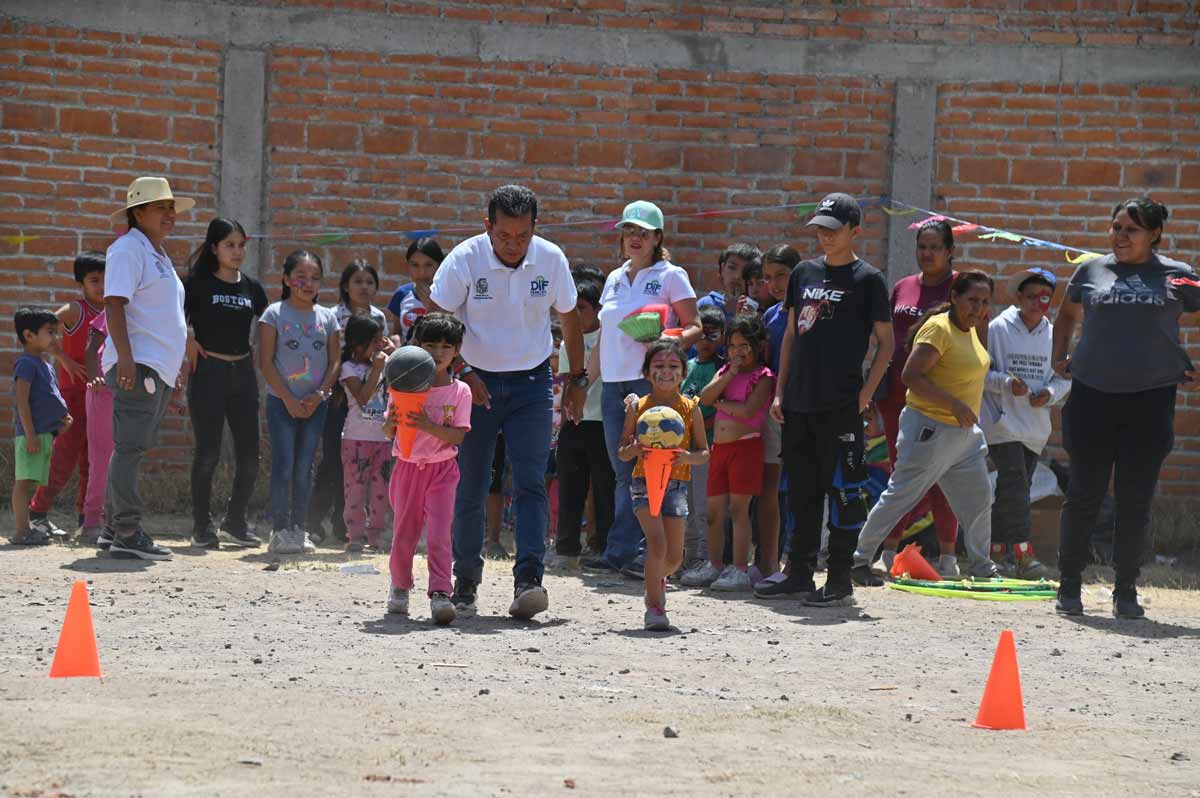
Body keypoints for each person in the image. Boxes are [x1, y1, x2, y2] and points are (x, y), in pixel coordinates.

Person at [428, 184, 587, 620]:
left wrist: (577, 378)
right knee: (472, 482)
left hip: (533, 382)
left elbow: (570, 322)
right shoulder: (463, 259)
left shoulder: (551, 260)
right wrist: (462, 373)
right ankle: (465, 582)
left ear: (535, 228)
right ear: (487, 227)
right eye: (504, 236)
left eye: (523, 236)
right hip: (474, 383)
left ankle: (529, 582)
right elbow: (435, 323)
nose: (514, 245)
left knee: (532, 480)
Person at [1051, 198, 1200, 619]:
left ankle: (1126, 591)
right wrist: (1058, 355)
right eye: (1115, 227)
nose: (1119, 236)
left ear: (1154, 234)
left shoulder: (1178, 277)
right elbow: (1066, 314)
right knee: (1084, 494)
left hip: (1150, 401)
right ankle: (1069, 586)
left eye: (1131, 229)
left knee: (1135, 499)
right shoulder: (1090, 271)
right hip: (1092, 397)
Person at [756, 193, 894, 606]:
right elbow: (793, 335)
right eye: (820, 229)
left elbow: (885, 344)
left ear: (855, 231)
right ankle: (798, 573)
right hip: (799, 401)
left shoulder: (868, 279)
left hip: (842, 404)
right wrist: (780, 391)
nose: (825, 237)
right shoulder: (803, 273)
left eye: (833, 230)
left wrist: (865, 395)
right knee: (801, 491)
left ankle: (838, 580)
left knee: (845, 492)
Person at [853, 271, 1002, 582]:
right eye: (972, 300)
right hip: (930, 429)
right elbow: (911, 376)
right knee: (900, 497)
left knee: (979, 498)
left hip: (965, 436)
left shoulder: (970, 330)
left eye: (985, 302)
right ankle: (858, 560)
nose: (978, 308)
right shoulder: (939, 329)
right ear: (955, 298)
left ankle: (982, 567)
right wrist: (955, 405)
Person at [585, 200, 701, 577]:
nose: (635, 238)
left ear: (657, 238)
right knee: (622, 467)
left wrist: (664, 342)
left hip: (649, 383)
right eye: (629, 231)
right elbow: (605, 336)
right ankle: (620, 551)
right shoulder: (615, 278)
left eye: (643, 233)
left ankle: (647, 553)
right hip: (614, 384)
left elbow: (695, 326)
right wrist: (583, 382)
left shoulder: (672, 275)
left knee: (651, 468)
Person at [98, 176, 192, 561]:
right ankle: (127, 530)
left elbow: (163, 315)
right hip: (137, 364)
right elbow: (114, 304)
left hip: (156, 367)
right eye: (161, 207)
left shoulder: (159, 253)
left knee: (132, 448)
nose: (170, 214)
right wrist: (125, 358)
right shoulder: (128, 249)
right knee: (130, 448)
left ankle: (110, 529)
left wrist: (176, 362)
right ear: (138, 213)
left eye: (172, 207)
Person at [876, 220, 960, 575]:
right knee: (901, 473)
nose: (927, 254)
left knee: (943, 474)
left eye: (934, 247)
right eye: (921, 247)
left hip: (941, 397)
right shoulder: (902, 287)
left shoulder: (961, 288)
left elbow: (975, 342)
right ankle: (888, 550)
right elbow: (884, 341)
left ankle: (949, 556)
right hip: (896, 394)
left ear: (950, 251)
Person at [183, 218, 268, 549]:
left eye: (241, 245)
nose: (237, 251)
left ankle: (235, 521)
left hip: (243, 374)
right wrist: (187, 339)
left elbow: (270, 322)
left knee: (251, 455)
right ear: (214, 248)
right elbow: (171, 316)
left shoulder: (252, 287)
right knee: (208, 453)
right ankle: (202, 525)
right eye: (230, 245)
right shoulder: (196, 284)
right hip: (208, 372)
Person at [383, 313, 473, 624]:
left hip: (443, 469)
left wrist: (428, 425)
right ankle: (400, 586)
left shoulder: (460, 391)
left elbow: (458, 435)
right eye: (430, 344)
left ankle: (440, 593)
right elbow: (388, 431)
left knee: (438, 534)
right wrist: (389, 423)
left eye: (446, 346)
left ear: (457, 350)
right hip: (407, 468)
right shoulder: (404, 384)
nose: (438, 352)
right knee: (404, 532)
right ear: (417, 346)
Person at [982, 268, 1070, 579]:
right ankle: (1021, 553)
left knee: (1014, 488)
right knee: (1015, 482)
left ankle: (993, 552)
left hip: (1035, 426)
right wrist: (1007, 383)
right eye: (1031, 297)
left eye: (1044, 298)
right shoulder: (997, 329)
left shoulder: (1054, 334)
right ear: (1018, 297)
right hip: (1002, 423)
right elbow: (980, 372)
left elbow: (1064, 378)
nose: (1037, 303)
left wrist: (1048, 393)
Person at [617, 340, 709, 631]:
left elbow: (704, 453)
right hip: (644, 483)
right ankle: (655, 608)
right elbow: (622, 450)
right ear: (646, 373)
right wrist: (634, 451)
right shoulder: (638, 407)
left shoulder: (690, 409)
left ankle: (656, 579)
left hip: (677, 486)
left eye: (673, 366)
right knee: (656, 545)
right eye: (658, 366)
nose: (666, 372)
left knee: (673, 558)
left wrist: (687, 456)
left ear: (683, 373)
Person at [259, 251, 341, 555]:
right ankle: (279, 530)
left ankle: (298, 528)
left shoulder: (327, 318)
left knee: (304, 467)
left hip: (315, 405)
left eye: (315, 278)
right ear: (286, 279)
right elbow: (265, 362)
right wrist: (289, 399)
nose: (308, 284)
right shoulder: (274, 314)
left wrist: (319, 395)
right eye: (301, 277)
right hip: (282, 404)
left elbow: (335, 361)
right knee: (284, 466)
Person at [685, 314, 773, 591]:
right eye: (732, 345)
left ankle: (739, 568)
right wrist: (730, 376)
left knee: (738, 511)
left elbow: (748, 411)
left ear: (757, 346)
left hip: (746, 448)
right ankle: (715, 564)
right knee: (713, 513)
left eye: (744, 345)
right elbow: (706, 398)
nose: (737, 352)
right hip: (719, 451)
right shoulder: (725, 372)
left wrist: (723, 404)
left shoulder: (764, 376)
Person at [308, 260, 389, 543]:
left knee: (369, 473)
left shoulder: (379, 317)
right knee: (334, 459)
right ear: (345, 286)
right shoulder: (333, 315)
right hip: (342, 392)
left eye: (369, 282)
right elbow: (330, 355)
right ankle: (315, 521)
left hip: (371, 401)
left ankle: (347, 528)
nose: (364, 287)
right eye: (357, 281)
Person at [26, 253, 104, 540]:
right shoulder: (76, 309)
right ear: (81, 283)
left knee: (92, 459)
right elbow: (44, 327)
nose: (102, 286)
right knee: (64, 457)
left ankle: (87, 518)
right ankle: (37, 514)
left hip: (100, 395)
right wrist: (64, 359)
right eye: (94, 280)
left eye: (106, 279)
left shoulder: (114, 311)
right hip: (71, 396)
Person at [550, 268, 614, 562]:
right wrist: (562, 425)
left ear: (598, 309)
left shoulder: (608, 336)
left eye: (583, 308)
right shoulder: (568, 341)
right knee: (571, 487)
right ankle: (566, 546)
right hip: (576, 424)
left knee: (604, 488)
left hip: (603, 422)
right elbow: (565, 382)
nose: (577, 315)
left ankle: (602, 545)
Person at [755, 244, 800, 587]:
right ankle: (768, 561)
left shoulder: (812, 314)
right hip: (772, 410)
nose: (774, 284)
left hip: (805, 409)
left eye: (781, 276)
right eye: (768, 278)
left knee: (803, 489)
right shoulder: (769, 318)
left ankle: (797, 563)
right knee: (769, 488)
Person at [10, 308, 71, 545]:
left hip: (45, 434)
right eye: (49, 332)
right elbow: (22, 401)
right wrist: (30, 434)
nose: (54, 338)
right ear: (29, 335)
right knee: (23, 483)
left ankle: (29, 529)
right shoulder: (26, 363)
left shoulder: (44, 363)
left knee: (32, 481)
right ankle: (21, 531)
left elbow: (48, 397)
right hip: (31, 436)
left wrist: (60, 423)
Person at [339, 315, 394, 552]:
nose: (379, 346)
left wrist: (391, 356)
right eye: (374, 341)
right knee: (355, 489)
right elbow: (362, 398)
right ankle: (355, 536)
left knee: (381, 492)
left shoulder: (382, 365)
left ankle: (376, 536)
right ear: (358, 344)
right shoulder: (348, 368)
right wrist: (377, 370)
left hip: (382, 439)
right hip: (356, 439)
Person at [679, 307, 724, 570]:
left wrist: (695, 428)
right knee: (686, 506)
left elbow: (719, 410)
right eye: (701, 334)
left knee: (703, 507)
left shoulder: (720, 369)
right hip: (684, 449)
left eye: (712, 334)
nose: (705, 340)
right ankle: (688, 556)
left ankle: (705, 557)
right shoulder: (688, 366)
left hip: (706, 447)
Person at [80, 310, 113, 546]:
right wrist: (93, 378)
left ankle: (114, 522)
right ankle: (91, 520)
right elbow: (91, 347)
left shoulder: (148, 310)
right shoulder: (113, 307)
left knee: (123, 459)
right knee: (101, 459)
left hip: (130, 391)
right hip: (103, 389)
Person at [697, 242, 763, 324]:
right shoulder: (706, 304)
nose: (737, 276)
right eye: (732, 267)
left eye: (745, 271)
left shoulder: (759, 311)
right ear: (722, 269)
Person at [393, 237, 443, 341]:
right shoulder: (401, 294)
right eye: (415, 265)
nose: (421, 272)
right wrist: (396, 341)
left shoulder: (448, 295)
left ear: (439, 265)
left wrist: (431, 305)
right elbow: (396, 331)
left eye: (428, 265)